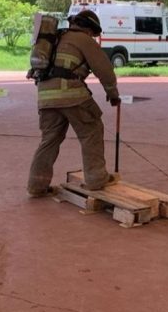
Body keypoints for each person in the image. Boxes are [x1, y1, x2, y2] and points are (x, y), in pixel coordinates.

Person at [28, 10, 121, 196]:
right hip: (71, 94)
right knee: (91, 131)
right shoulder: (83, 40)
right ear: (89, 29)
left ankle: (36, 187)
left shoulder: (55, 39)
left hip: (45, 96)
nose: (92, 37)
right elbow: (105, 70)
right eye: (93, 34)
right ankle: (96, 179)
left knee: (49, 141)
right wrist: (112, 94)